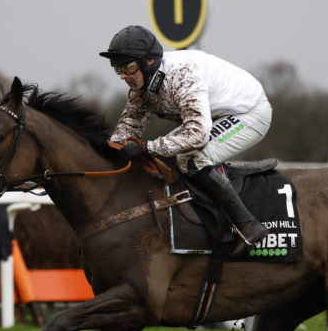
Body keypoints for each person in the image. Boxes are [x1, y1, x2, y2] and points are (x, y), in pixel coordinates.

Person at [99, 25, 272, 255]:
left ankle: (248, 224)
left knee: (190, 159)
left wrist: (146, 148)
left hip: (249, 113)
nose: (123, 76)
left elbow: (197, 135)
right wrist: (104, 150)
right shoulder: (142, 86)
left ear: (149, 62)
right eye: (118, 68)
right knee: (166, 157)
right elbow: (126, 132)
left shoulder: (181, 75)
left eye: (128, 67)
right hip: (217, 116)